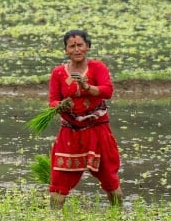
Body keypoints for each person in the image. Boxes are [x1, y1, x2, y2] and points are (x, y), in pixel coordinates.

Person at [47, 29, 123, 209]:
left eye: (80, 45)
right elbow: (52, 101)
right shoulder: (58, 73)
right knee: (59, 180)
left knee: (109, 179)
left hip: (97, 130)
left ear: (87, 47)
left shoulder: (98, 68)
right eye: (71, 46)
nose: (76, 49)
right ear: (66, 50)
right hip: (70, 132)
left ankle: (118, 215)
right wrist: (61, 105)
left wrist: (86, 86)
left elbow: (107, 91)